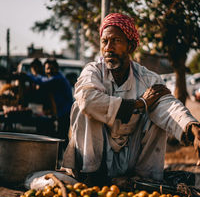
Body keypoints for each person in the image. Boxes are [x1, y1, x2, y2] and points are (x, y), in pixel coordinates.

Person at [62, 13, 200, 187]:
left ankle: (144, 181)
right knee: (81, 107)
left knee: (156, 112)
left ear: (131, 46)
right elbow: (87, 100)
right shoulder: (93, 71)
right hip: (98, 159)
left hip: (132, 158)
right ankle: (91, 176)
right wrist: (138, 104)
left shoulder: (148, 79)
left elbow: (168, 106)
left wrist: (191, 126)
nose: (108, 48)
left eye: (116, 41)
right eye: (105, 42)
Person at [26, 58, 73, 160]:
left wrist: (27, 75)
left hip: (66, 112)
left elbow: (43, 82)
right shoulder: (56, 77)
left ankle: (65, 161)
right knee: (62, 136)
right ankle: (64, 160)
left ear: (56, 69)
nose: (49, 71)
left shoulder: (57, 79)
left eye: (51, 68)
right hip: (62, 111)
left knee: (62, 137)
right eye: (47, 69)